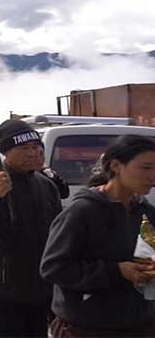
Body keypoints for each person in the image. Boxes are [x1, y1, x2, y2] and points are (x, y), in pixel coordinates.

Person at [41, 135, 155, 337]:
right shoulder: (81, 212)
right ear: (116, 166)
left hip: (140, 325)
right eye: (146, 168)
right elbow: (53, 268)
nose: (152, 176)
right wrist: (116, 271)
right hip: (86, 327)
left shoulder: (147, 211)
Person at [0, 119, 63, 337]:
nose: (33, 153)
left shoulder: (46, 185)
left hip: (40, 285)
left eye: (36, 147)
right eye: (24, 148)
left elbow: (58, 234)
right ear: (6, 153)